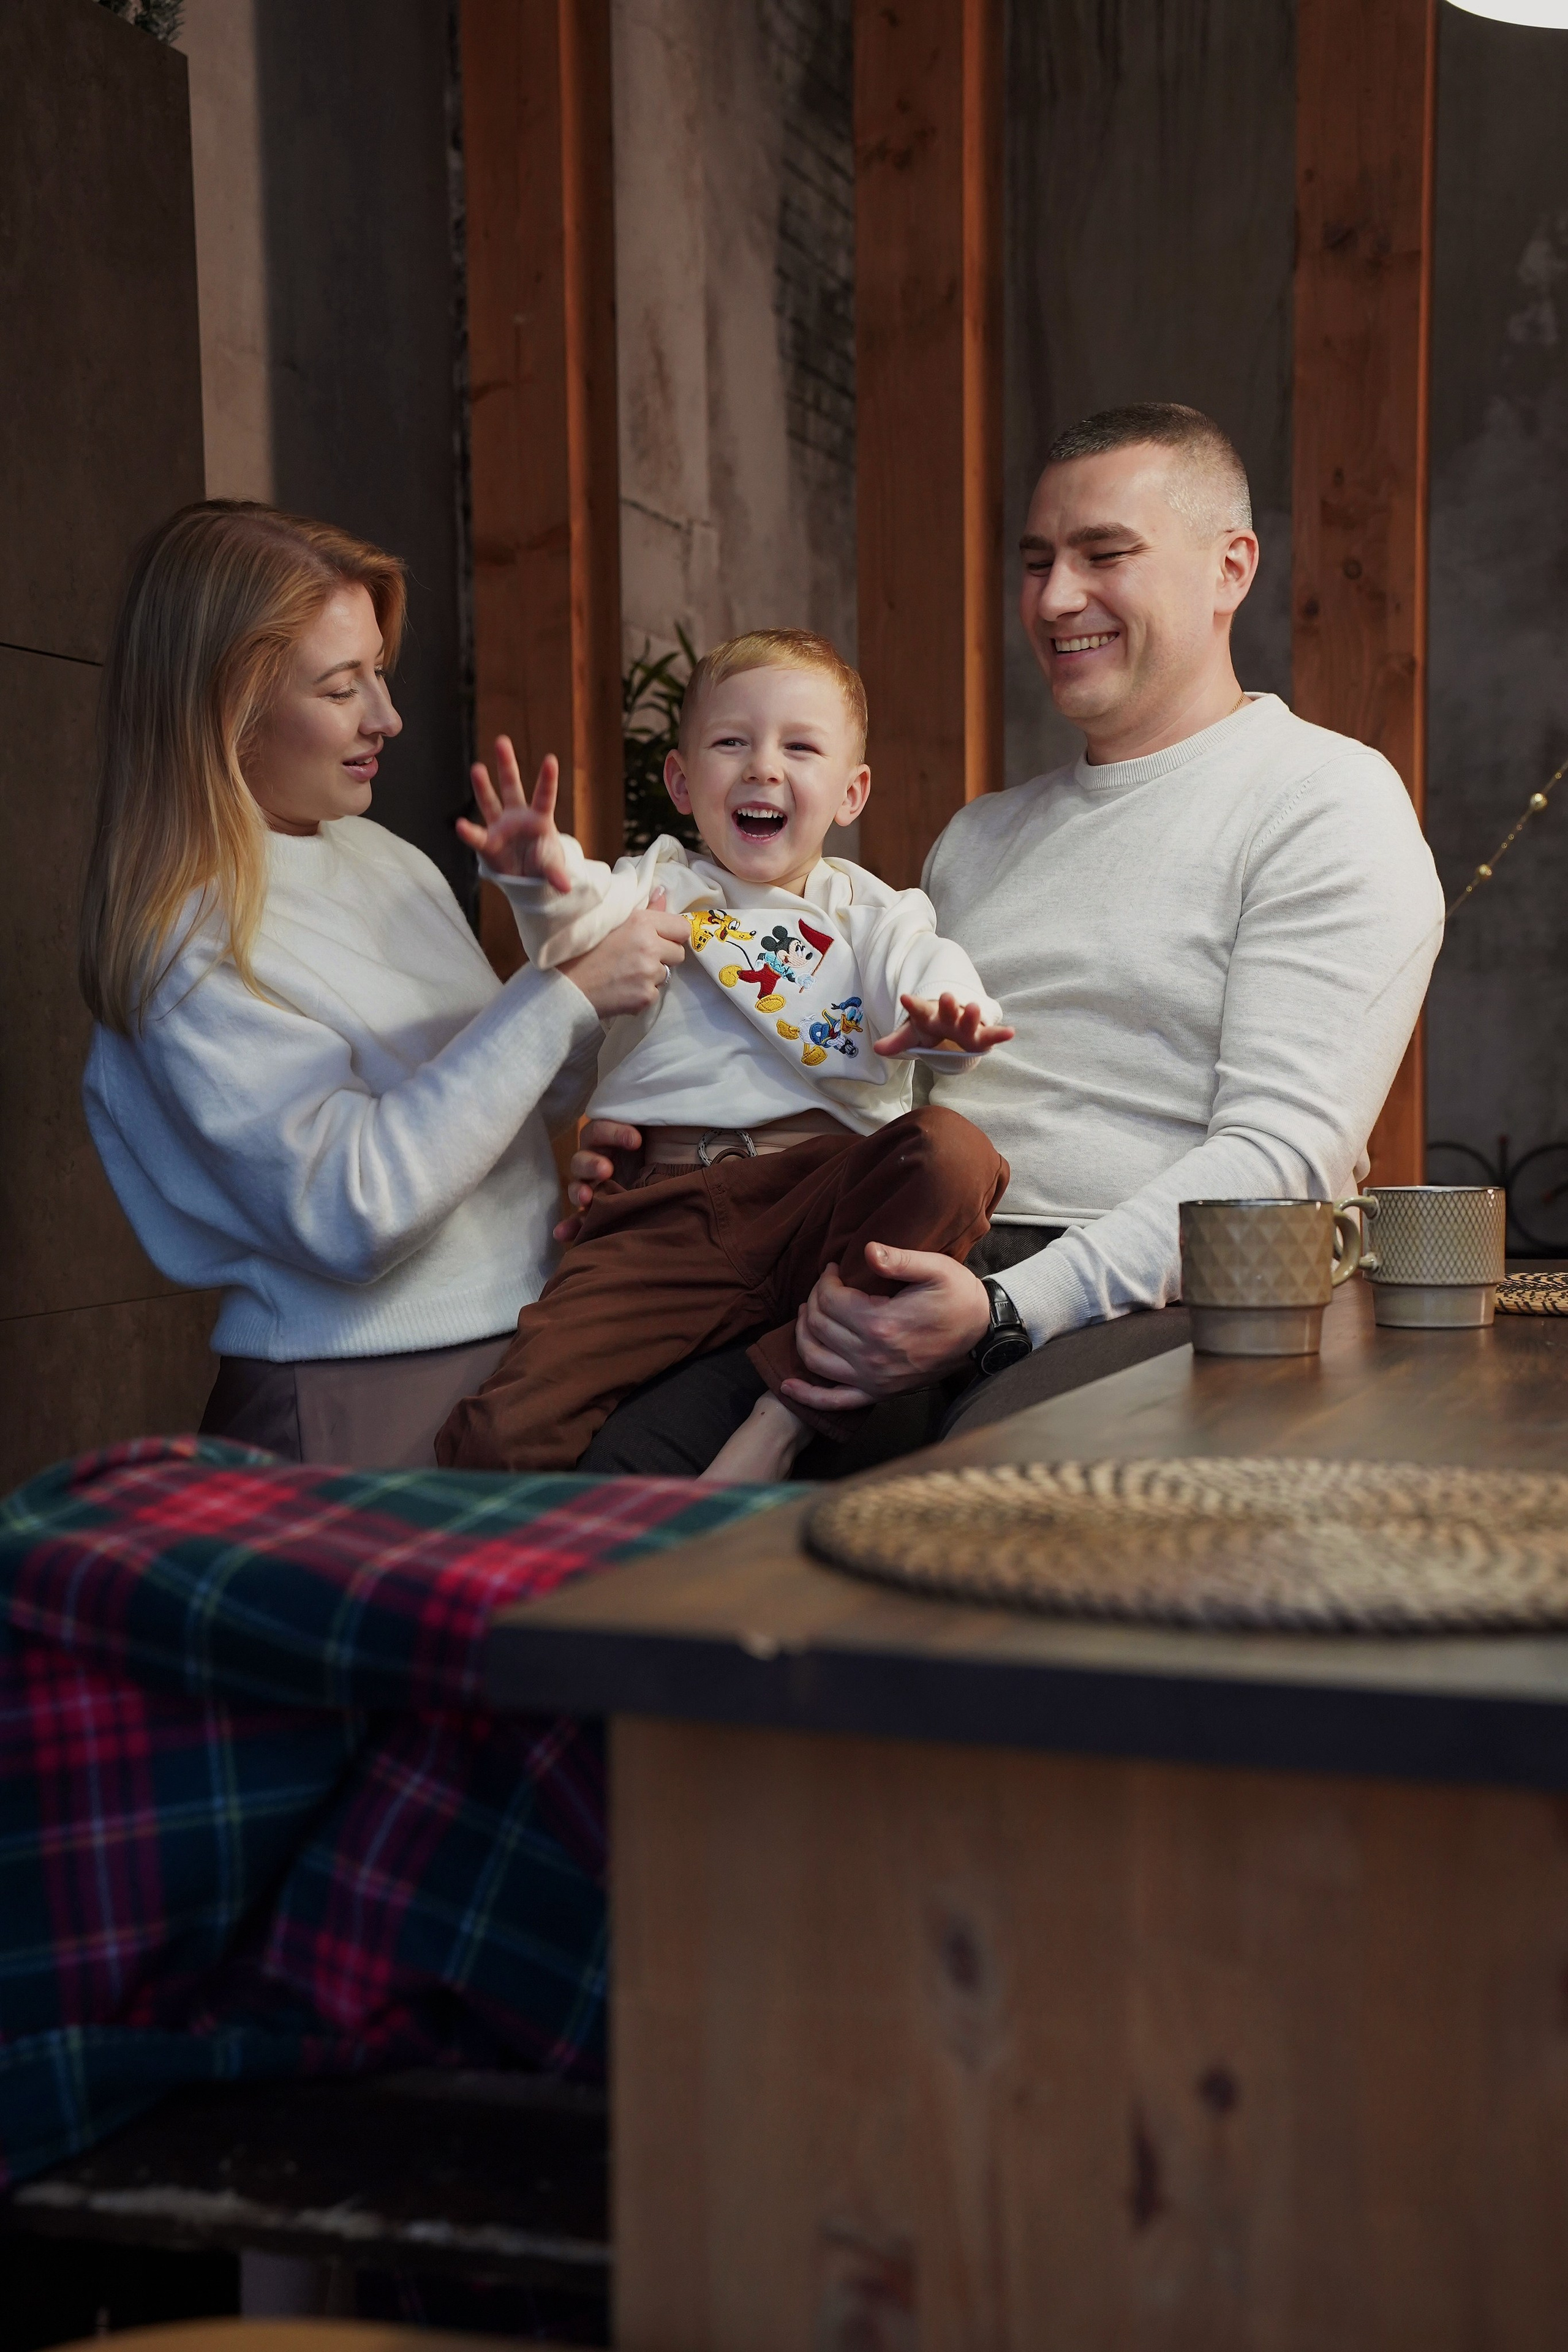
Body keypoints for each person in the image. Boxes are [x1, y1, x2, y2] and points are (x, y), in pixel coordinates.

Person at [570, 403, 1447, 1472]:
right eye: (1036, 562)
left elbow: (1280, 1165)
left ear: (1232, 568)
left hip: (1130, 1296)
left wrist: (1000, 1310)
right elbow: (867, 1080)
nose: (1056, 598)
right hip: (890, 1243)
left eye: (1104, 554)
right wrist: (671, 1143)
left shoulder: (1326, 800)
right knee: (610, 1478)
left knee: (955, 1519)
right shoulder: (975, 839)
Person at [79, 500, 686, 1468]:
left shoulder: (383, 858)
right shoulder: (186, 939)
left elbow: (527, 1103)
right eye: (339, 687)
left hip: (522, 1348)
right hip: (354, 1397)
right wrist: (561, 994)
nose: (386, 717)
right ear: (225, 710)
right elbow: (351, 1211)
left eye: (379, 671)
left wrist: (569, 938)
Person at [435, 629, 1013, 1482]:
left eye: (800, 747)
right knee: (501, 1437)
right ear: (680, 780)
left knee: (953, 1154)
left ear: (852, 793)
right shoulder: (658, 882)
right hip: (666, 1215)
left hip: (824, 1195)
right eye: (731, 742)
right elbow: (581, 910)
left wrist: (947, 1022)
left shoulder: (873, 912)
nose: (763, 769)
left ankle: (790, 1391)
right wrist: (538, 871)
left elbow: (924, 974)